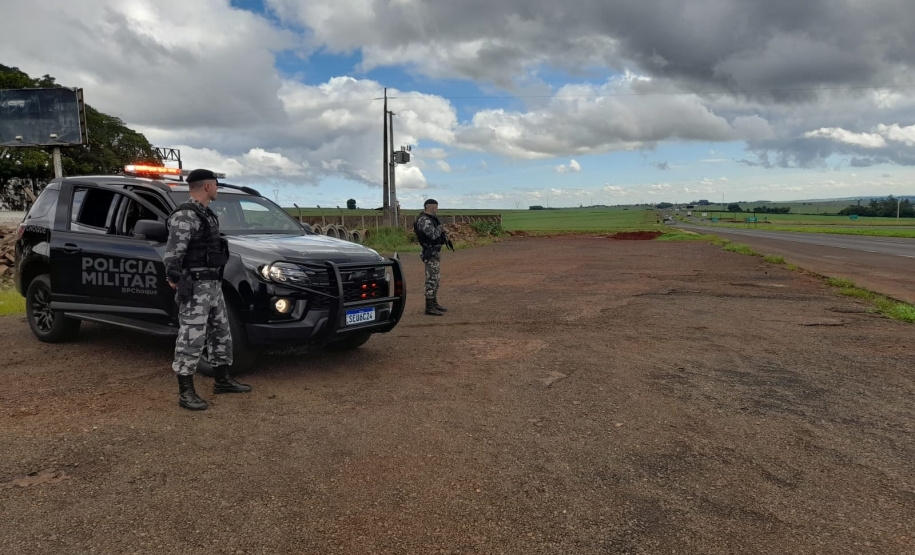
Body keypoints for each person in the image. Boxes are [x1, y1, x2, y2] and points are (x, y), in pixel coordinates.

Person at [164, 168, 251, 410]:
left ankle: (222, 380)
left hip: (212, 284)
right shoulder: (185, 216)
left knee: (221, 333)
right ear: (207, 187)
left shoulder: (207, 214)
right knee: (191, 337)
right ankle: (186, 392)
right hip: (194, 286)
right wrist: (175, 279)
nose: (216, 188)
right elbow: (173, 254)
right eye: (215, 184)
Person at [413, 199, 453, 316]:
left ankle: (434, 304)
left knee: (436, 279)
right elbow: (433, 235)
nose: (437, 210)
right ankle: (429, 307)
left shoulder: (431, 219)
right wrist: (442, 228)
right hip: (429, 253)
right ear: (431, 207)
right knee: (431, 280)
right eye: (436, 207)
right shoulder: (423, 220)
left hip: (434, 252)